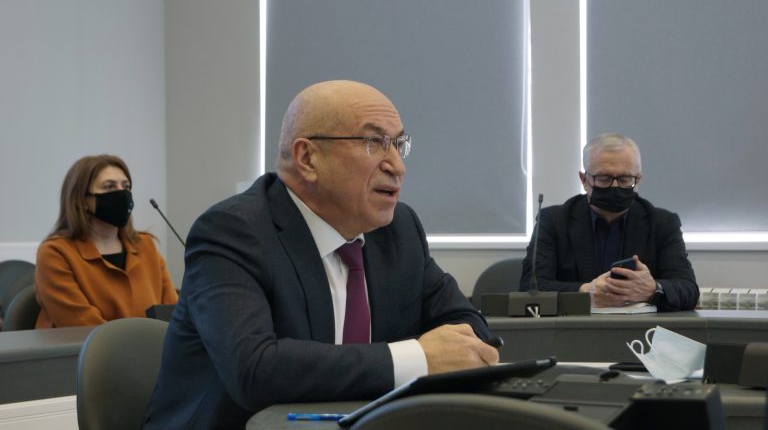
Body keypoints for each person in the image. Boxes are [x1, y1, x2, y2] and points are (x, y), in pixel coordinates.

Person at [144, 80, 498, 429]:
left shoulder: (398, 230)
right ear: (307, 158)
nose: (397, 166)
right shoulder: (232, 231)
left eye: (398, 144)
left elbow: (468, 329)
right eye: (374, 143)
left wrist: (452, 353)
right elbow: (254, 369)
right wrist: (416, 358)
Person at [520, 133, 698, 311]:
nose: (615, 186)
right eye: (604, 179)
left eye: (625, 179)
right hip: (575, 325)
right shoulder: (553, 221)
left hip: (641, 327)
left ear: (638, 180)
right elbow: (530, 288)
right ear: (584, 180)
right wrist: (585, 291)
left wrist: (653, 289)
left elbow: (688, 289)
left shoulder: (662, 223)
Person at [35, 155, 178, 328]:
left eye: (126, 186)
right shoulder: (55, 253)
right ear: (82, 199)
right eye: (109, 187)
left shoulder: (145, 245)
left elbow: (173, 315)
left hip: (152, 344)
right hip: (84, 346)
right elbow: (83, 326)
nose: (122, 193)